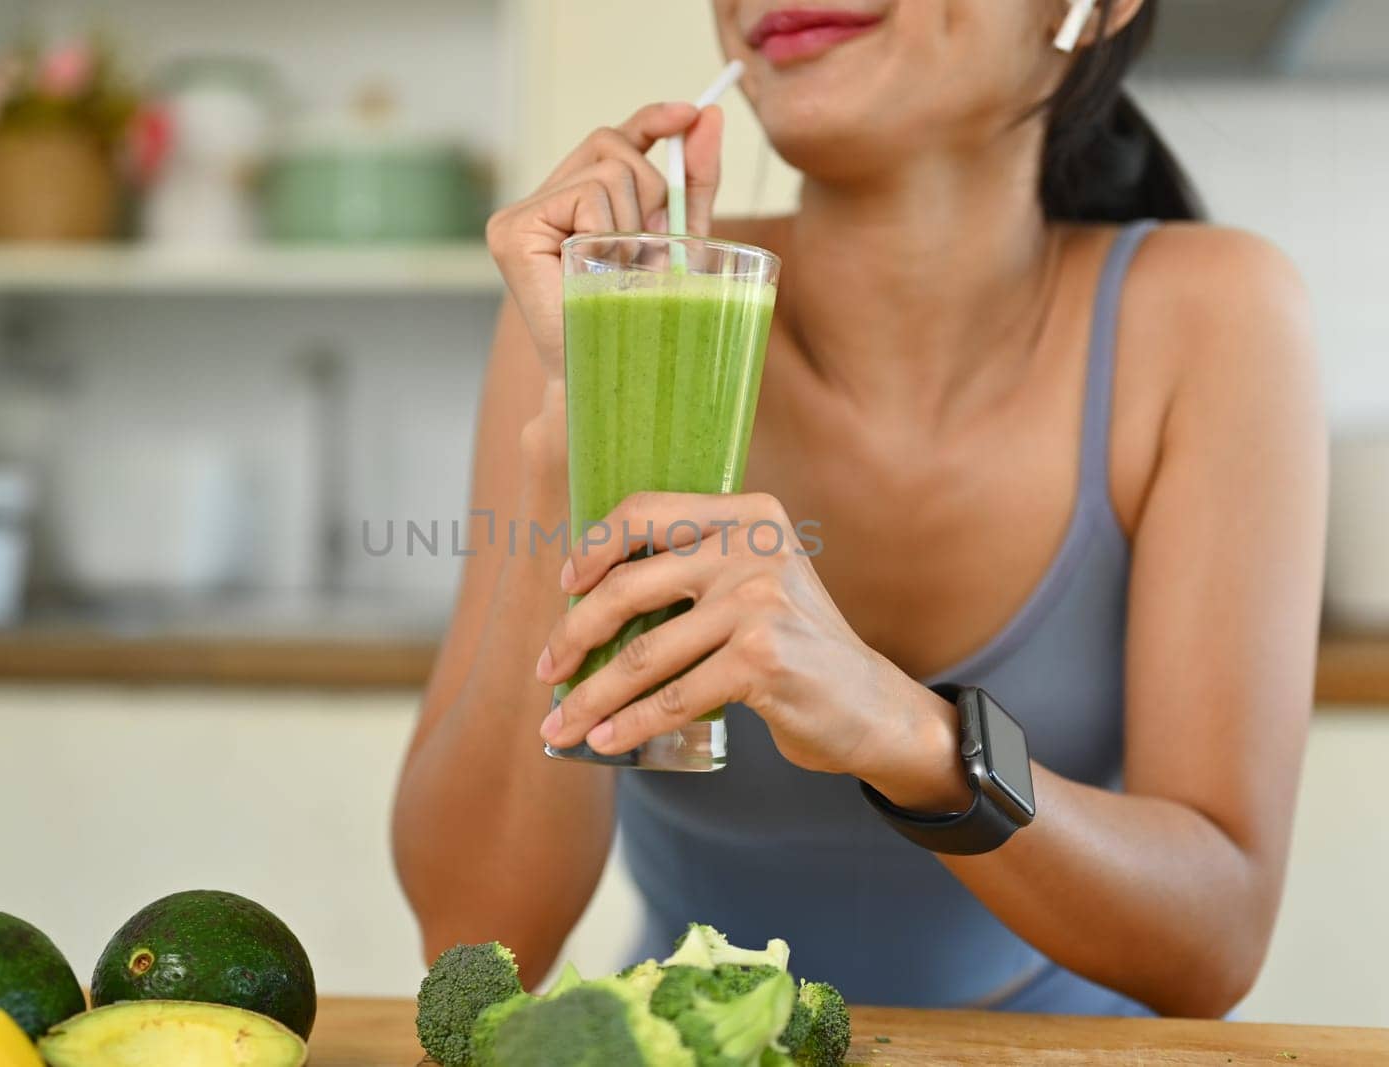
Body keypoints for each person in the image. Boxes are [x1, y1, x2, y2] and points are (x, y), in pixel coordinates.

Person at [392, 0, 1325, 1017]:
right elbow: (477, 935)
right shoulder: (616, 305)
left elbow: (1212, 941)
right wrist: (586, 423)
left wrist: (907, 732)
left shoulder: (1211, 313)